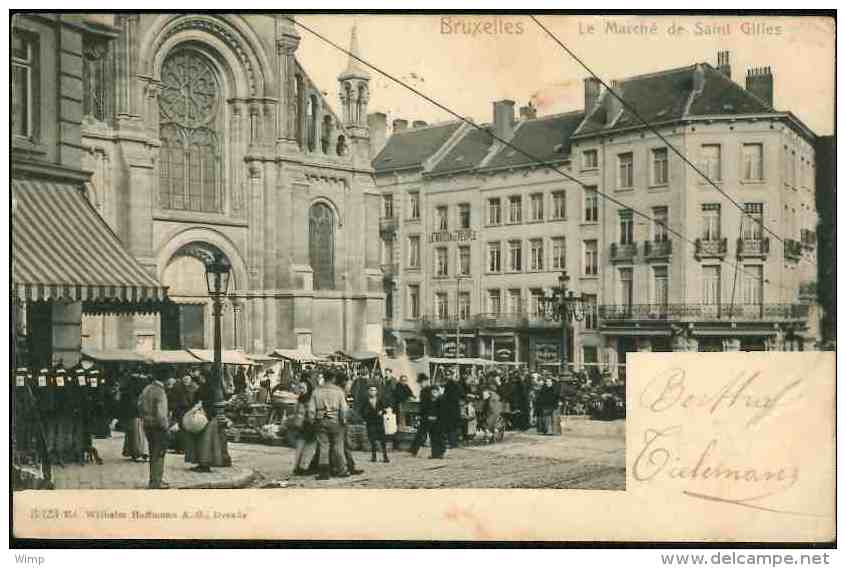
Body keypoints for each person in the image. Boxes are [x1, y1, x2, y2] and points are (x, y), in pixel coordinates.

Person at [307, 369, 349, 480]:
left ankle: (324, 472)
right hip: (336, 421)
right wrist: (344, 420)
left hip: (321, 420)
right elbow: (344, 408)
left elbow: (311, 409)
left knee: (324, 446)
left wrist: (312, 420)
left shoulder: (316, 391)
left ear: (324, 378)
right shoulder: (339, 391)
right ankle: (342, 470)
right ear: (334, 378)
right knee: (338, 446)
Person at [139, 372, 170, 489]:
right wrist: (166, 426)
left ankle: (153, 480)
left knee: (153, 453)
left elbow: (139, 404)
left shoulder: (147, 388)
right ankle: (157, 481)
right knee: (159, 454)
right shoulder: (160, 391)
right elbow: (161, 414)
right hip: (158, 427)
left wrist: (145, 417)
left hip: (147, 424)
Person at [292, 375, 319, 476]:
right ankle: (302, 468)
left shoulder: (301, 399)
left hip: (304, 425)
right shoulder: (309, 399)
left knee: (303, 447)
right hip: (307, 425)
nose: (301, 390)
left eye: (302, 388)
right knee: (307, 447)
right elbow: (311, 413)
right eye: (300, 388)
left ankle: (298, 468)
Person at [121, 374, 149, 462]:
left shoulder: (127, 391)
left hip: (131, 414)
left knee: (132, 433)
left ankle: (133, 451)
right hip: (137, 414)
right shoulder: (141, 391)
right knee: (139, 434)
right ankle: (139, 452)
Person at [361, 385, 391, 463]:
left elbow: (386, 408)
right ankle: (374, 456)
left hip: (379, 422)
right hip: (370, 422)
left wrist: (382, 411)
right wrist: (365, 418)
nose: (372, 392)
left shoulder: (380, 400)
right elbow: (362, 411)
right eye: (371, 390)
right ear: (368, 391)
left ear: (377, 392)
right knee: (372, 439)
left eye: (374, 390)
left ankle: (385, 456)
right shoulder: (365, 400)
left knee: (383, 439)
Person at [408, 374, 433, 457]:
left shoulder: (429, 390)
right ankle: (413, 450)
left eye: (421, 382)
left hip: (429, 415)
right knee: (422, 433)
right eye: (419, 383)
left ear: (425, 381)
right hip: (426, 415)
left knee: (424, 433)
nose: (420, 384)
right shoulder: (424, 391)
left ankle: (414, 450)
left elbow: (429, 404)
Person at [442, 371, 465, 448]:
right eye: (447, 375)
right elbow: (462, 395)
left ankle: (452, 443)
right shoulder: (457, 385)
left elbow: (445, 396)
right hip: (455, 407)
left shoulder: (449, 385)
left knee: (450, 426)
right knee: (454, 426)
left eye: (448, 375)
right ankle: (454, 442)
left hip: (450, 408)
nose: (447, 376)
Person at [391, 375, 414, 449]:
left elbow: (410, 394)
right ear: (400, 381)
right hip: (398, 409)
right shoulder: (397, 387)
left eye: (405, 380)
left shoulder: (406, 386)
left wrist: (412, 397)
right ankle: (397, 443)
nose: (404, 382)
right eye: (403, 380)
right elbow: (400, 397)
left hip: (406, 408)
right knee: (399, 425)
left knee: (406, 424)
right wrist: (407, 398)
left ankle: (406, 442)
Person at [428, 384, 448, 459]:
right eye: (432, 391)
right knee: (433, 437)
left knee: (440, 437)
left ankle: (442, 452)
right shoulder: (430, 400)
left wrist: (435, 417)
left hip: (440, 422)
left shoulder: (442, 399)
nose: (433, 393)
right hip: (432, 422)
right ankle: (434, 453)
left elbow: (443, 412)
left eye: (435, 391)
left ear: (438, 392)